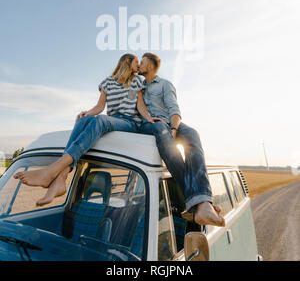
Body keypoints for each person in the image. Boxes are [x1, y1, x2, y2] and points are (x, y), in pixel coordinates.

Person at [13, 54, 163, 206]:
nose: (138, 65)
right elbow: (100, 107)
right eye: (136, 62)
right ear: (127, 62)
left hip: (129, 123)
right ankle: (60, 178)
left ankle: (51, 171)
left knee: (101, 120)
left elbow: (140, 106)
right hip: (112, 120)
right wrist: (86, 113)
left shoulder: (136, 81)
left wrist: (149, 118)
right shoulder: (107, 83)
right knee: (83, 119)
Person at [137, 52, 225, 227]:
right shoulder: (136, 86)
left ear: (150, 66)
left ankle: (201, 203)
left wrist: (175, 129)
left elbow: (174, 110)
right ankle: (201, 202)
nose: (139, 65)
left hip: (169, 123)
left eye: (142, 62)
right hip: (150, 124)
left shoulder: (164, 84)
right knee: (161, 129)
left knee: (192, 133)